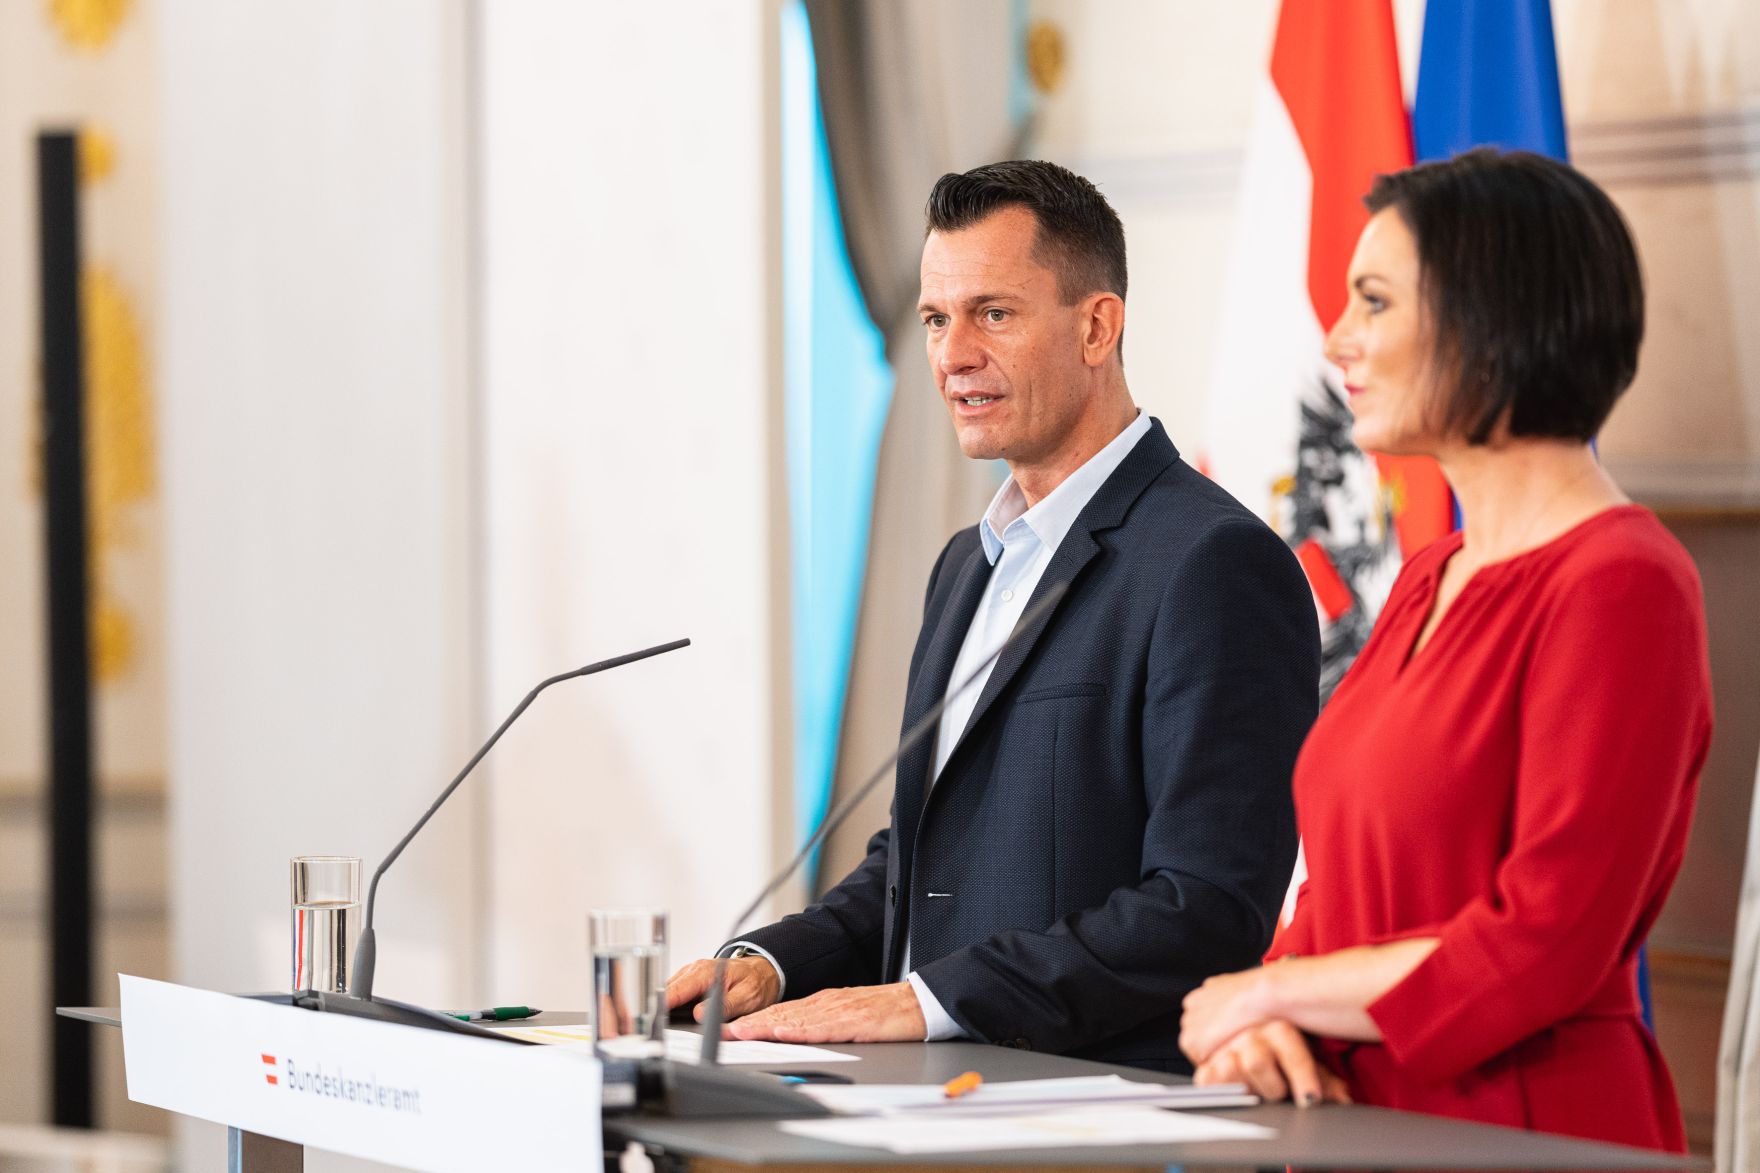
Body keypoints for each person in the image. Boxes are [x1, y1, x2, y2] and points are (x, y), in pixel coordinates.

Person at [665, 160, 1320, 1070]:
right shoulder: (966, 566)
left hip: (1089, 1120)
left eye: (993, 313)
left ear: (1097, 325)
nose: (950, 353)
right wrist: (778, 964)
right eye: (936, 318)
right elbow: (923, 861)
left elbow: (1204, 907)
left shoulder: (1213, 564)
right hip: (920, 1109)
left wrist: (927, 1002)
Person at [1177, 149, 1713, 1150]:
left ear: (1492, 316)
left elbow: (1546, 938)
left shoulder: (1621, 584)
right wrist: (1264, 1027)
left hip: (1520, 1128)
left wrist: (1269, 990)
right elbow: (1339, 886)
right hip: (1348, 1119)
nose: (1337, 341)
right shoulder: (1428, 575)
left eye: (1373, 302)